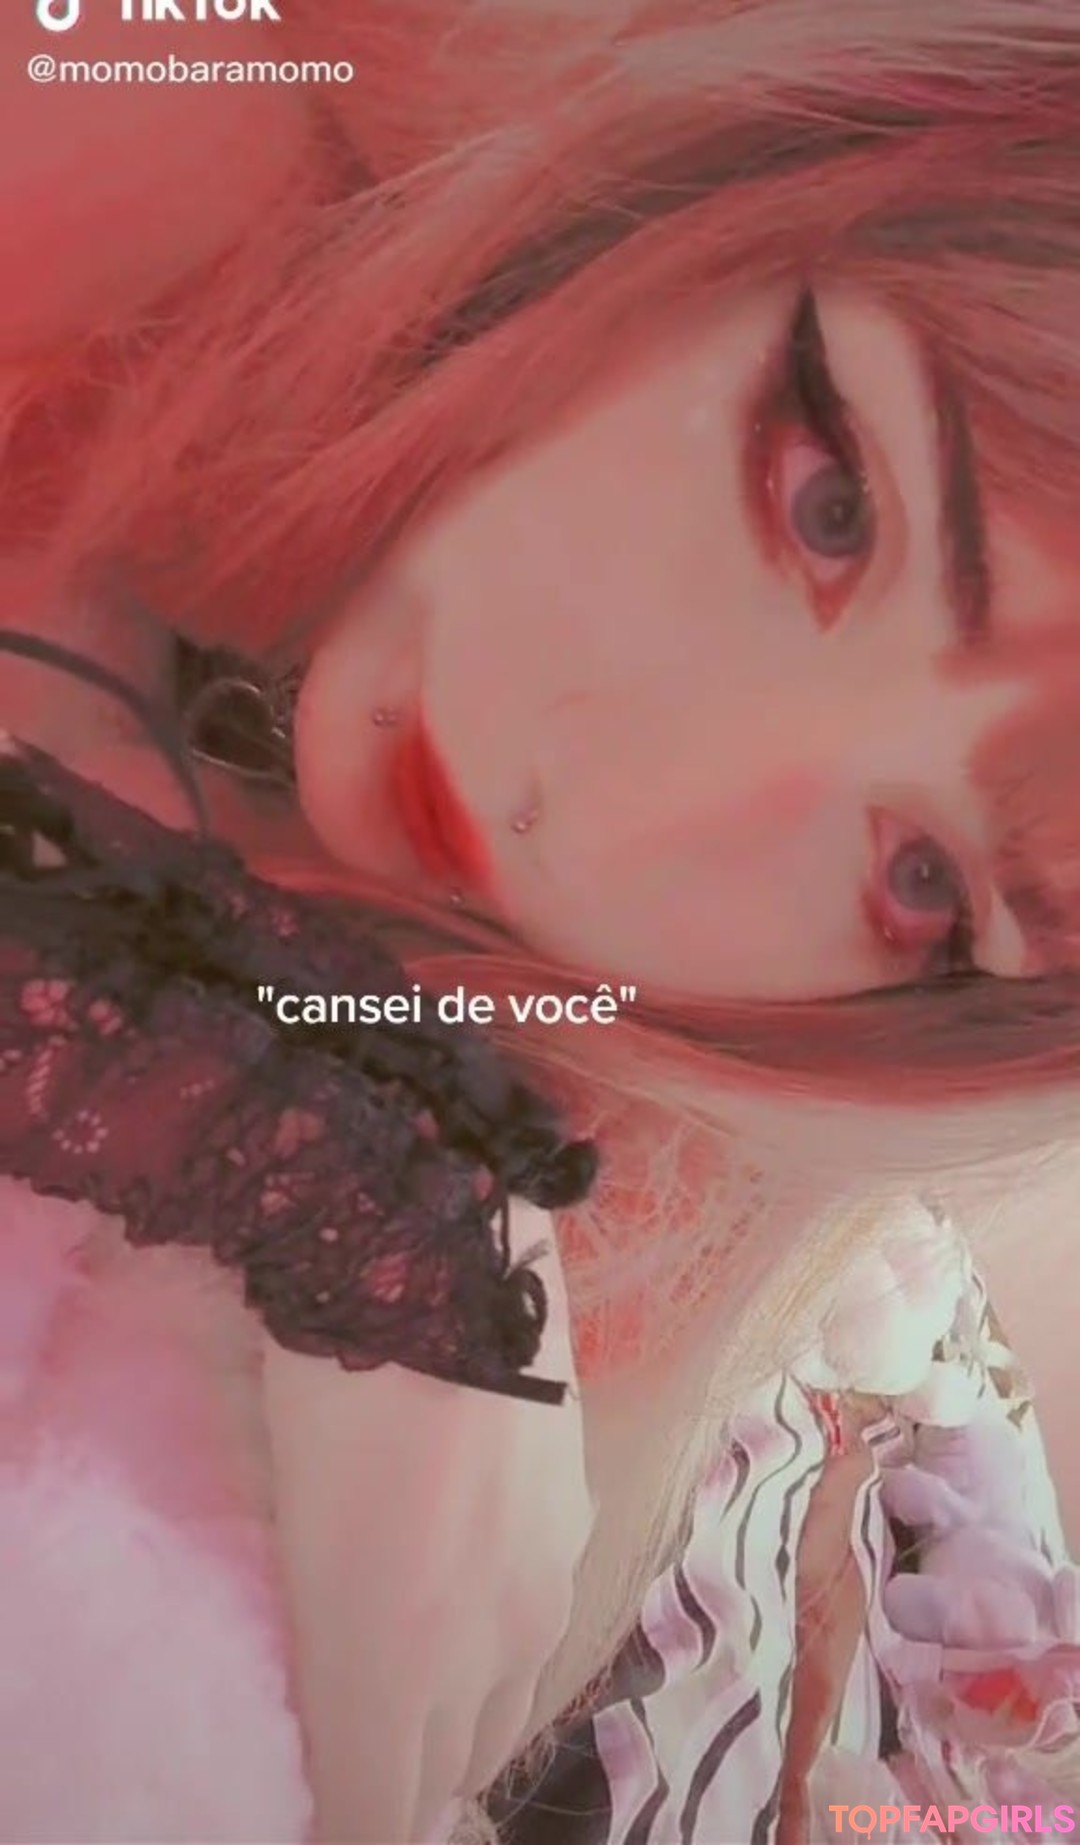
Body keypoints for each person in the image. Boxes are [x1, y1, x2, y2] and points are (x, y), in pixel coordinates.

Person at [2, 1, 1080, 1839]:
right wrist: (337, 1164)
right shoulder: (190, 78)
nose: (603, 814)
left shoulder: (711, 1087)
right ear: (744, 157)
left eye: (925, 886)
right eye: (828, 504)